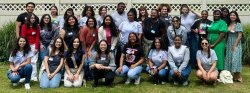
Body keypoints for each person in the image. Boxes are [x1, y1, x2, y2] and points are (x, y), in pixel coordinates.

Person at [225, 11, 243, 82]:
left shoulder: (238, 24)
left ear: (236, 16)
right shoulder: (229, 24)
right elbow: (227, 35)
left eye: (234, 15)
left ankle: (239, 76)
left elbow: (240, 35)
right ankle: (232, 75)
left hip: (236, 43)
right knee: (230, 58)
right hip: (229, 43)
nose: (232, 16)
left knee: (235, 59)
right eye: (231, 15)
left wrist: (235, 45)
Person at [21, 13, 40, 81]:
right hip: (26, 45)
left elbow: (37, 37)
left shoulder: (37, 26)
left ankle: (34, 76)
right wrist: (25, 47)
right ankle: (25, 75)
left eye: (34, 18)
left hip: (34, 45)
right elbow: (23, 37)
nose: (33, 19)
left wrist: (36, 47)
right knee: (26, 60)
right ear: (28, 18)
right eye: (31, 18)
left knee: (34, 61)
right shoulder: (24, 26)